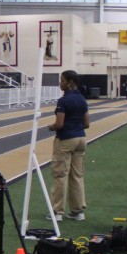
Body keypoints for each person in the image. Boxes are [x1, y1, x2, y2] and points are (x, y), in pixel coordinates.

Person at [47, 70, 90, 221]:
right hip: (81, 139)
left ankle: (57, 211)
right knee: (77, 175)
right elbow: (87, 123)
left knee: (60, 175)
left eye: (62, 80)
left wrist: (51, 127)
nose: (60, 83)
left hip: (66, 139)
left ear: (70, 82)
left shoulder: (63, 101)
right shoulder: (82, 100)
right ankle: (78, 211)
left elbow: (59, 124)